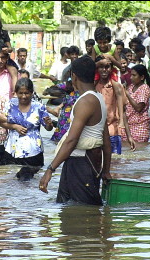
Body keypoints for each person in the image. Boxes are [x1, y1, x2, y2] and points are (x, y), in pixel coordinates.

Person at [39, 56, 112, 206]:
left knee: (81, 212)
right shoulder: (98, 98)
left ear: (74, 76)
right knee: (71, 212)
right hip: (87, 162)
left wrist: (50, 169)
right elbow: (106, 140)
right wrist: (105, 170)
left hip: (81, 164)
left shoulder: (86, 101)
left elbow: (71, 140)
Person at [0, 78, 54, 180]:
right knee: (10, 180)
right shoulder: (10, 105)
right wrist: (15, 126)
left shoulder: (39, 107)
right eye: (20, 93)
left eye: (27, 93)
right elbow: (2, 123)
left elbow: (48, 128)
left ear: (32, 93)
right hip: (12, 150)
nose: (23, 96)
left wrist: (49, 124)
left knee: (33, 181)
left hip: (33, 151)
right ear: (16, 93)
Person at [95, 56, 126, 154]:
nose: (104, 70)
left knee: (115, 163)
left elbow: (122, 108)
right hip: (97, 131)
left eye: (107, 67)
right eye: (101, 67)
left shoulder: (115, 85)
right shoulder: (94, 85)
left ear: (111, 69)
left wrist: (121, 122)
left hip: (113, 129)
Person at [121, 64, 150, 145]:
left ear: (142, 77)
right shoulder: (131, 87)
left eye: (134, 75)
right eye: (131, 75)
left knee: (139, 152)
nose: (131, 78)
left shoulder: (144, 88)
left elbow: (138, 108)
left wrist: (127, 94)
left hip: (140, 126)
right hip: (128, 125)